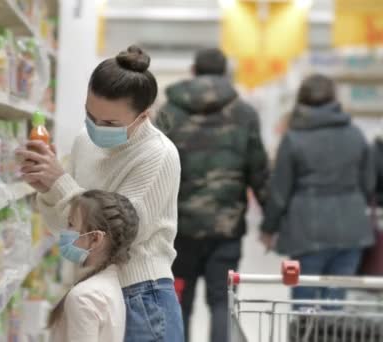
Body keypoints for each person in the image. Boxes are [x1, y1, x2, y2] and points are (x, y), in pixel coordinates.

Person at [17, 45, 184, 342]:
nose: (96, 128)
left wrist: (63, 184)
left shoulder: (158, 155)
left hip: (141, 297)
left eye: (109, 124)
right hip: (95, 287)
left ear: (143, 116)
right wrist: (48, 191)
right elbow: (73, 234)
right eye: (90, 115)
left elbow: (122, 232)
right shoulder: (85, 141)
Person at [155, 48, 269, 342]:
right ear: (225, 72)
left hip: (178, 227)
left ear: (193, 70)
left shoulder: (169, 112)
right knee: (222, 301)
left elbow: (152, 163)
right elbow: (258, 170)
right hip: (226, 227)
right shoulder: (244, 114)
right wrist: (272, 220)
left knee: (178, 299)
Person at [261, 74, 375, 302]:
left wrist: (268, 229)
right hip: (351, 229)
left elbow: (280, 192)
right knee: (334, 305)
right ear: (334, 98)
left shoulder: (293, 139)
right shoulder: (356, 134)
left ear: (300, 100)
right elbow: (369, 184)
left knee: (305, 305)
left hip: (306, 231)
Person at [49, 190, 139, 342]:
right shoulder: (109, 283)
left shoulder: (84, 297)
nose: (65, 231)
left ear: (95, 238)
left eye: (71, 224)